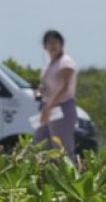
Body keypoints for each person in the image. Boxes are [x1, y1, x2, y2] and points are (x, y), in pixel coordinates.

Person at [33, 29, 78, 158]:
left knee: (63, 148)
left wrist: (49, 107)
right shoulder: (48, 66)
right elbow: (47, 88)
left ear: (61, 44)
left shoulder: (66, 62)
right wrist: (38, 93)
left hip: (62, 108)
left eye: (55, 42)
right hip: (49, 108)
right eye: (49, 43)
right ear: (45, 46)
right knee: (41, 142)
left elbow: (63, 86)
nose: (53, 46)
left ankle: (70, 176)